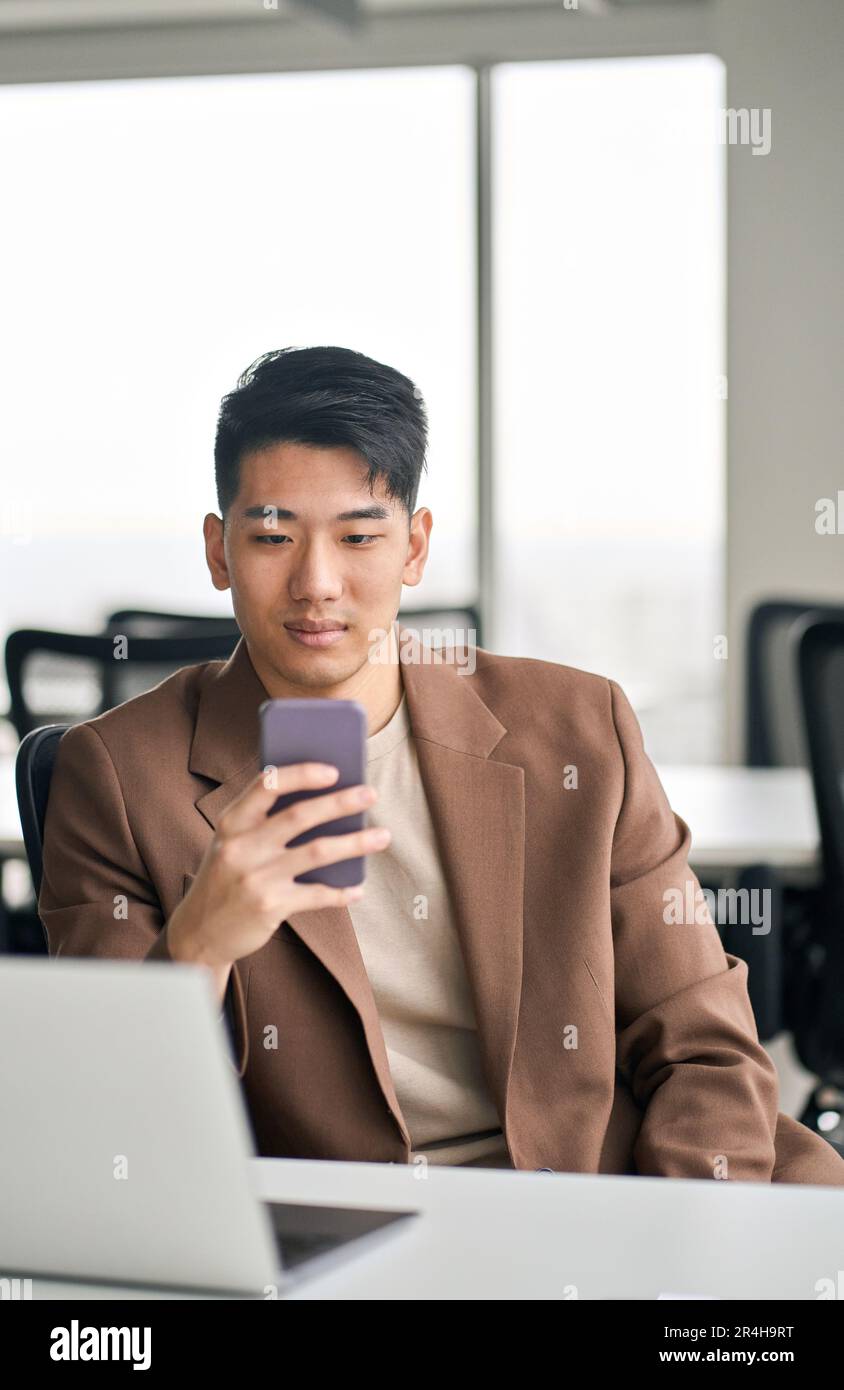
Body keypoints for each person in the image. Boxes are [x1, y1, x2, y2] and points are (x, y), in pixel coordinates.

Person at [40, 345, 844, 1183]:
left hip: (602, 1186)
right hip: (349, 1232)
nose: (317, 583)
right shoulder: (119, 776)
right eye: (273, 536)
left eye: (359, 536)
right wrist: (201, 944)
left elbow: (701, 1045)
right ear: (218, 552)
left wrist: (671, 1253)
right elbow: (108, 1135)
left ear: (414, 550)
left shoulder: (578, 729)